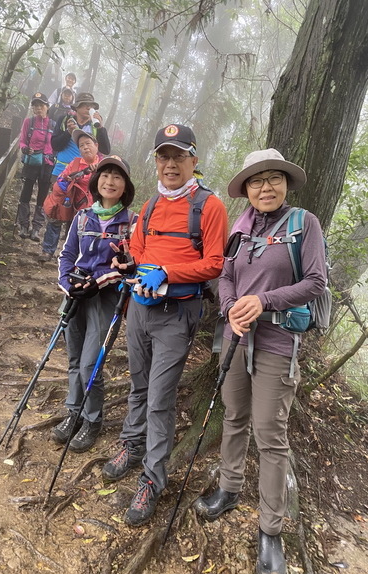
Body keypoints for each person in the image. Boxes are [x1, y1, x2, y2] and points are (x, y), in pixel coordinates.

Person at [193, 149, 327, 574]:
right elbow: (225, 275)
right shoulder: (241, 225)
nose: (265, 188)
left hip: (277, 341)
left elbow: (316, 281)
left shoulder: (304, 224)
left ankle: (271, 530)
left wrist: (264, 301)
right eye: (256, 181)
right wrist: (231, 306)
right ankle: (229, 489)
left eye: (273, 179)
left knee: (270, 435)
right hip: (235, 336)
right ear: (246, 189)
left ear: (286, 183)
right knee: (234, 417)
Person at [101, 124, 228, 527]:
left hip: (177, 313)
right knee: (138, 384)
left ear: (194, 160)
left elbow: (216, 263)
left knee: (159, 396)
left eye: (178, 156)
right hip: (139, 307)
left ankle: (152, 480)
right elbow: (138, 247)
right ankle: (130, 444)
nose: (170, 164)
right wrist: (135, 265)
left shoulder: (210, 206)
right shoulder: (153, 204)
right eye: (163, 156)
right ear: (156, 161)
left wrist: (168, 274)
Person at [52, 156, 138, 452]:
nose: (110, 182)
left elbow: (131, 266)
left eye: (117, 177)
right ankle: (73, 413)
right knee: (74, 359)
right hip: (75, 295)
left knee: (91, 363)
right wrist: (68, 284)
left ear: (125, 186)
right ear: (96, 181)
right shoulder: (83, 216)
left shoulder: (132, 223)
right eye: (105, 176)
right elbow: (66, 255)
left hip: (107, 299)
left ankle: (92, 420)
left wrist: (97, 281)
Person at [39, 131, 104, 262]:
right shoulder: (75, 163)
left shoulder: (104, 165)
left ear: (96, 146)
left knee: (81, 232)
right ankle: (48, 250)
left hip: (92, 207)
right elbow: (61, 179)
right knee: (55, 218)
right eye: (81, 145)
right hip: (71, 203)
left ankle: (78, 259)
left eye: (88, 143)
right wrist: (63, 183)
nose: (85, 147)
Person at [17, 92, 55, 241]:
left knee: (42, 196)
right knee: (26, 193)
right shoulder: (29, 122)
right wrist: (25, 148)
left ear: (47, 106)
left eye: (41, 105)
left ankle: (36, 228)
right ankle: (23, 225)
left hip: (47, 164)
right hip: (32, 161)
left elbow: (57, 144)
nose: (38, 108)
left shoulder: (53, 124)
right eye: (35, 105)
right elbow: (22, 141)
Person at [51, 92, 111, 181]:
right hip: (61, 171)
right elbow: (55, 146)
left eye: (91, 106)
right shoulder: (64, 120)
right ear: (76, 107)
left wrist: (100, 128)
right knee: (57, 194)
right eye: (85, 105)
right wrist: (68, 132)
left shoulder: (95, 126)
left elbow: (106, 150)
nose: (88, 108)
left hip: (84, 175)